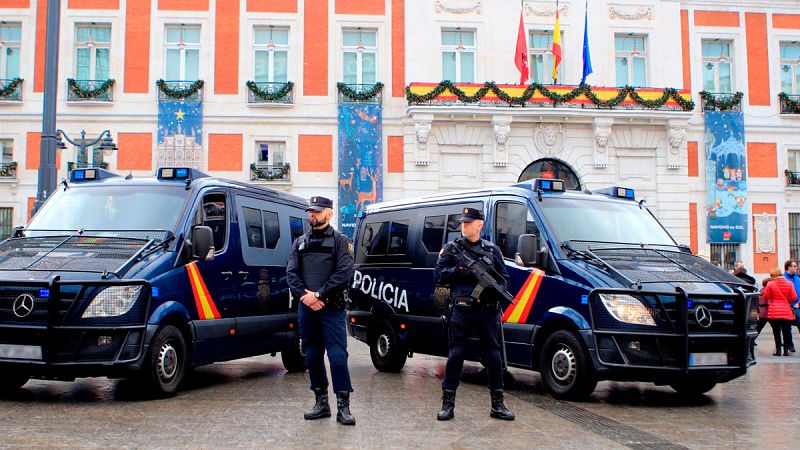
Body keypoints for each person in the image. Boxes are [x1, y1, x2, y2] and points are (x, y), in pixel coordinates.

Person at [434, 207, 515, 421]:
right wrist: (458, 272)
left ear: (480, 225)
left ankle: (498, 404)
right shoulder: (451, 249)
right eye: (463, 222)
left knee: (494, 355)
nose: (464, 225)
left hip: (486, 310)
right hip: (461, 308)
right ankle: (447, 404)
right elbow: (438, 276)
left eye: (469, 222)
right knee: (456, 354)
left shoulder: (492, 250)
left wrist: (491, 287)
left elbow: (505, 279)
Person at [286, 196, 356, 425]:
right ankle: (321, 402)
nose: (312, 215)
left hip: (331, 307)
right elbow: (291, 274)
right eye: (310, 211)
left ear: (330, 213)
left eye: (317, 211)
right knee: (312, 354)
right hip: (308, 307)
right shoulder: (300, 242)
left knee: (337, 355)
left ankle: (343, 407)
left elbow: (344, 273)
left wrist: (319, 294)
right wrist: (307, 297)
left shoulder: (340, 241)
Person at [762, 267, 797, 356]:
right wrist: (787, 301)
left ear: (773, 276)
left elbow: (766, 296)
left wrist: (773, 300)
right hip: (786, 310)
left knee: (776, 332)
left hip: (774, 312)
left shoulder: (770, 284)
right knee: (786, 331)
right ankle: (785, 351)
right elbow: (794, 297)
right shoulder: (789, 284)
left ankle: (778, 351)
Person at [783, 260, 800, 352]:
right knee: (787, 328)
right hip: (786, 306)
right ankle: (790, 345)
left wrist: (799, 303)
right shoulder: (783, 278)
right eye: (794, 266)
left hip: (797, 306)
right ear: (788, 267)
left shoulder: (797, 279)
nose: (796, 267)